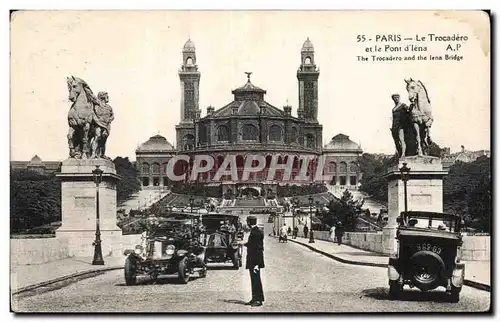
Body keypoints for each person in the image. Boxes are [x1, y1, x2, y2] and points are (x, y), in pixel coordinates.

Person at [244, 216, 265, 307]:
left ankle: (258, 300)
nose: (247, 224)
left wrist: (256, 264)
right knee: (254, 280)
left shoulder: (255, 233)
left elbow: (257, 248)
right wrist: (244, 244)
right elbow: (252, 244)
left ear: (249, 222)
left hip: (255, 261)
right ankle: (255, 298)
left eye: (247, 222)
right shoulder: (256, 231)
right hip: (254, 260)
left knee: (256, 280)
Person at [390, 93, 411, 158]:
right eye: (394, 98)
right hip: (394, 126)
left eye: (397, 97)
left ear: (399, 98)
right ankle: (400, 153)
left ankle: (403, 154)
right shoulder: (393, 109)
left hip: (401, 125)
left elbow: (409, 111)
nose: (396, 99)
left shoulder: (403, 105)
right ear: (393, 99)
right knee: (396, 142)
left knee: (401, 139)